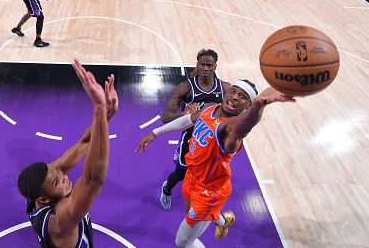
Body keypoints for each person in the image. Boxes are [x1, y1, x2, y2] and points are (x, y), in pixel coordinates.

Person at [137, 82, 295, 247]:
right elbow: (187, 120)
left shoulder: (231, 128)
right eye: (233, 91)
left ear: (247, 106)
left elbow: (245, 126)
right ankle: (222, 220)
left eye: (243, 97)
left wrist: (259, 104)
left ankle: (216, 219)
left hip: (209, 191)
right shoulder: (210, 109)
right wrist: (156, 132)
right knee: (190, 218)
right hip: (192, 177)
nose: (235, 96)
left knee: (183, 242)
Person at [18, 60, 118, 247]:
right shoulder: (60, 221)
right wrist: (98, 108)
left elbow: (84, 143)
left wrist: (106, 114)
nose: (64, 177)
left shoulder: (45, 183)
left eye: (58, 172)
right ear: (42, 199)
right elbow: (93, 179)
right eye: (57, 181)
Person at [159, 49, 229, 210]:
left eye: (209, 65)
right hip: (191, 139)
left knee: (207, 175)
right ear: (197, 64)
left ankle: (200, 199)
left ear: (215, 66)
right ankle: (167, 189)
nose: (205, 68)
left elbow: (238, 107)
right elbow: (165, 117)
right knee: (181, 173)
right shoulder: (186, 87)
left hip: (213, 141)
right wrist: (184, 115)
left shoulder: (224, 88)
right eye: (202, 64)